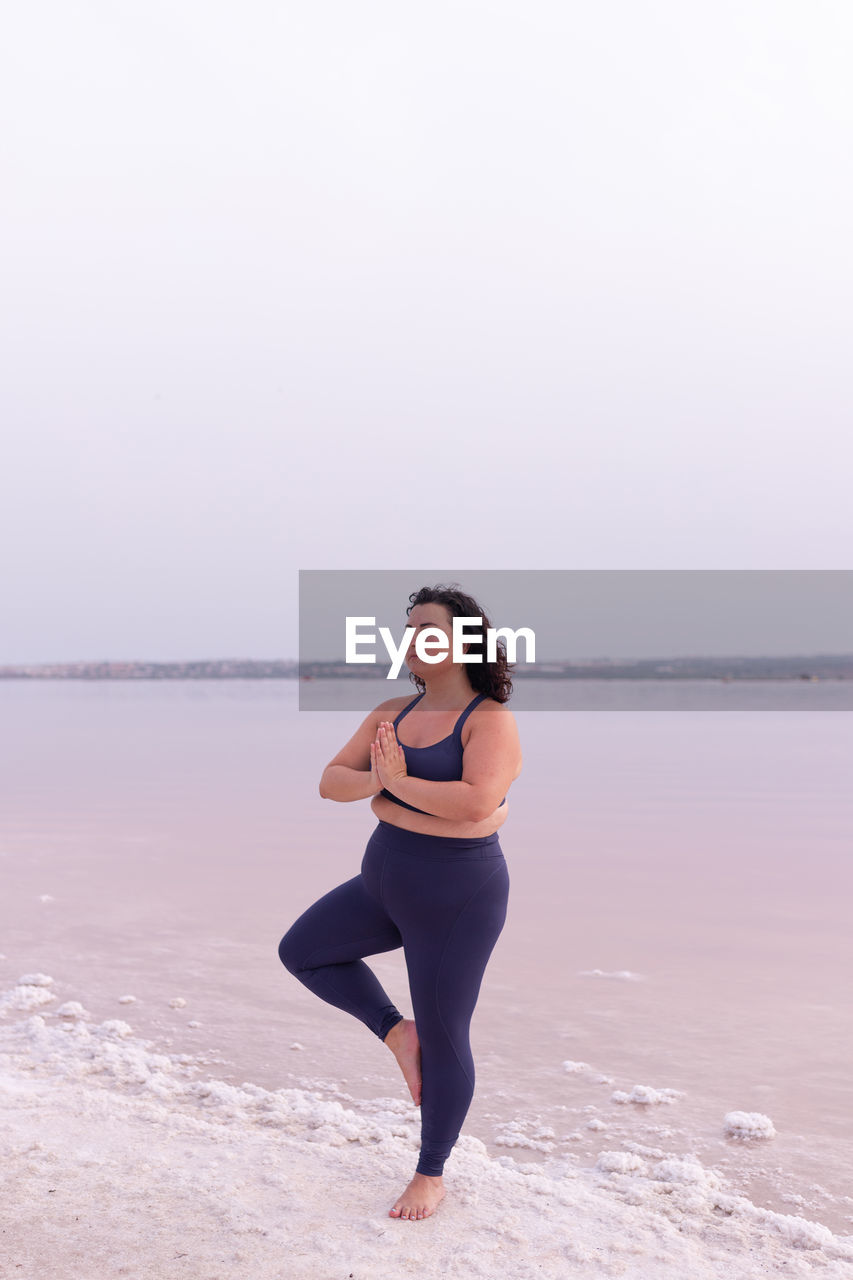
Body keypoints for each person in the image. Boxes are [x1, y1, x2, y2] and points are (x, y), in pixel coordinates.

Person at [278, 584, 522, 1221]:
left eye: (429, 629)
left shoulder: (487, 719)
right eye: (410, 628)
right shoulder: (391, 710)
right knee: (303, 951)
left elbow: (475, 804)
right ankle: (394, 1031)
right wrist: (382, 789)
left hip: (456, 897)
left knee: (447, 1034)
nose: (415, 639)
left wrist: (392, 788)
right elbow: (332, 782)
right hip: (383, 884)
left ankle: (431, 1173)